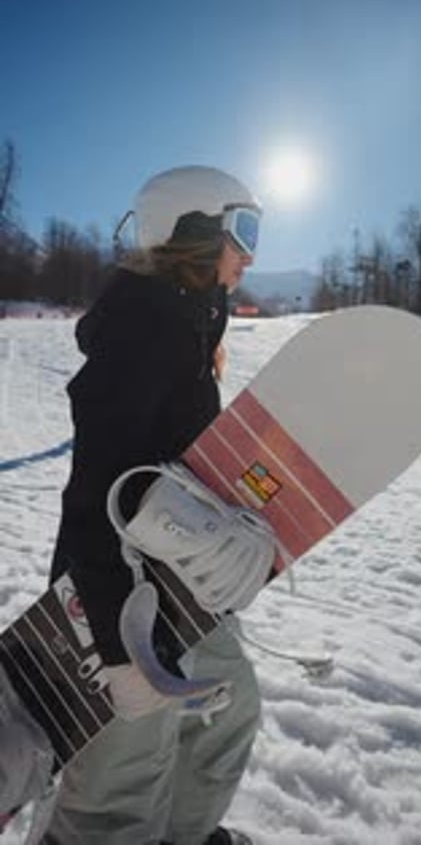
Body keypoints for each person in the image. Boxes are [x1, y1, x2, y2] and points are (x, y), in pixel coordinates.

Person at [42, 166, 262, 845]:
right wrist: (116, 649)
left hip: (174, 587)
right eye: (244, 230)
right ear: (193, 230)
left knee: (228, 715)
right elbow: (92, 497)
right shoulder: (143, 330)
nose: (252, 254)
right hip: (115, 596)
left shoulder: (193, 326)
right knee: (122, 777)